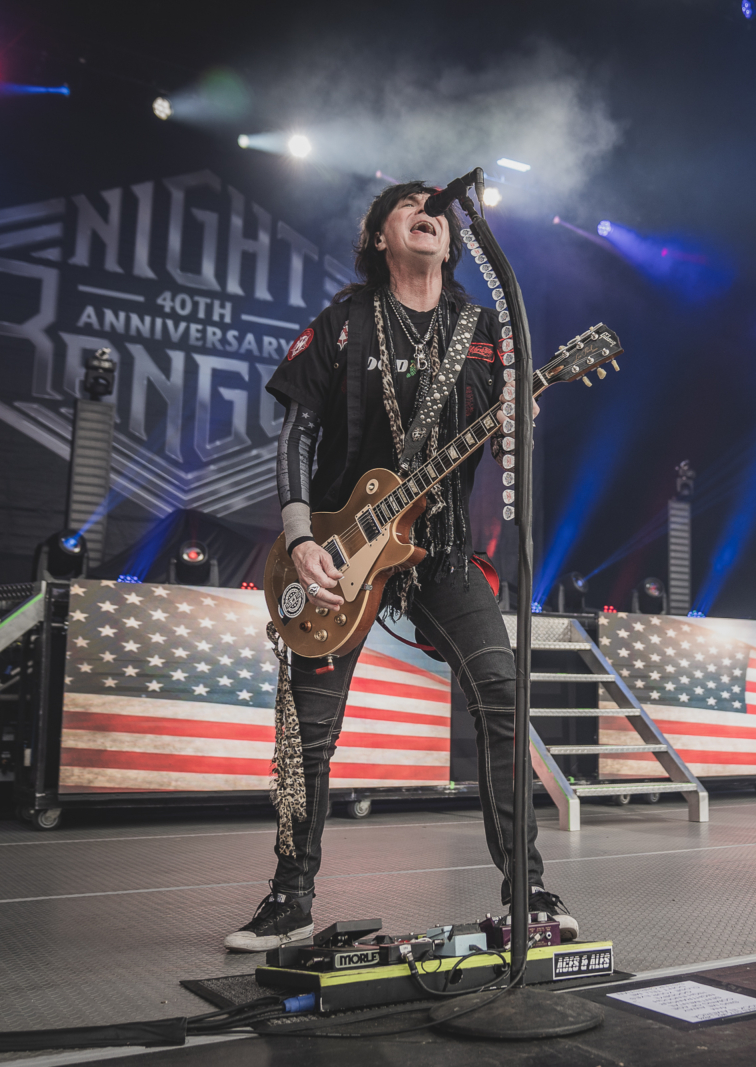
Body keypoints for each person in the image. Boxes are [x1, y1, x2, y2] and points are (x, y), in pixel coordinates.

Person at [224, 181, 575, 952]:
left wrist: (522, 419)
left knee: (503, 694)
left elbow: (499, 451)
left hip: (438, 548)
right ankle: (290, 900)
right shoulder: (345, 322)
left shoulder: (487, 330)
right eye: (409, 202)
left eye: (439, 209)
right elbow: (295, 435)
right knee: (307, 736)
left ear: (452, 239)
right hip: (333, 555)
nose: (431, 208)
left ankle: (528, 891)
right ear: (378, 234)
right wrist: (299, 536)